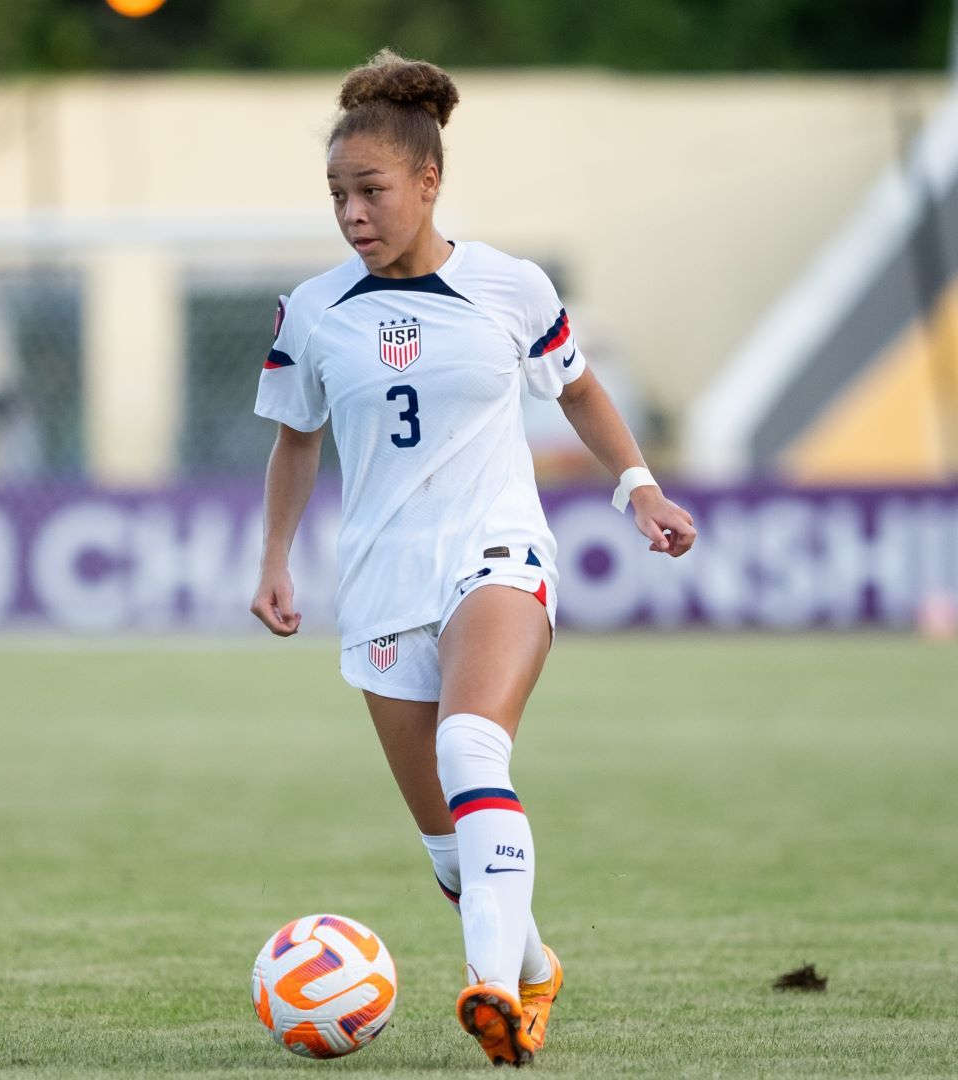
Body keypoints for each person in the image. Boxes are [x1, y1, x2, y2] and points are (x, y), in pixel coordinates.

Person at [250, 49, 696, 1068]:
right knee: (451, 853)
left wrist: (639, 487)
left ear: (428, 180)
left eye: (370, 190)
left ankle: (489, 986)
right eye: (337, 195)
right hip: (379, 585)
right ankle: (532, 969)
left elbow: (576, 388)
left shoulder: (511, 285)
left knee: (470, 751)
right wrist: (274, 556)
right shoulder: (311, 312)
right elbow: (296, 440)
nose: (352, 214)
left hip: (495, 552)